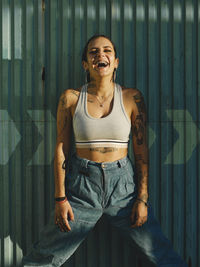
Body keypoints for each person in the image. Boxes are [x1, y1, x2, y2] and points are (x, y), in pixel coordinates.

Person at [22, 34, 187, 267]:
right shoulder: (70, 98)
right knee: (45, 257)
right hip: (81, 186)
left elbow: (141, 155)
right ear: (85, 64)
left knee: (160, 253)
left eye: (107, 50)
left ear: (116, 61)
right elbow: (61, 149)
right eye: (94, 52)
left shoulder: (132, 97)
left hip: (124, 188)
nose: (101, 55)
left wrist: (142, 198)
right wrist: (60, 198)